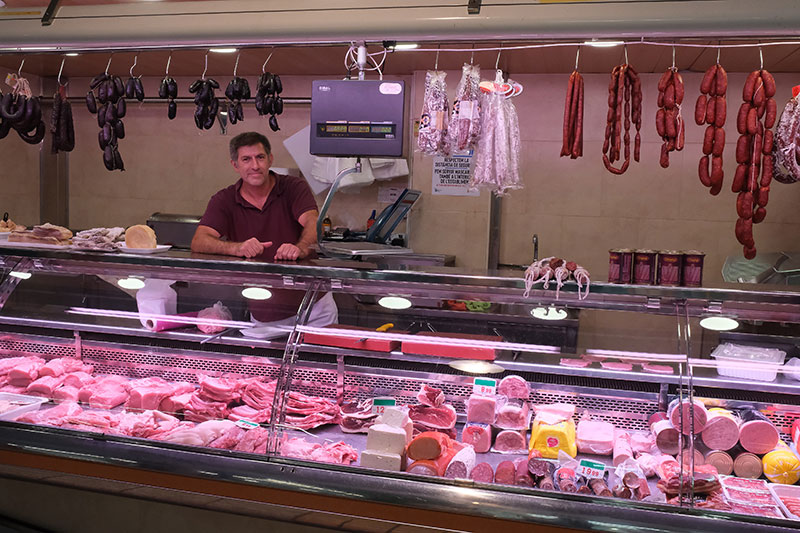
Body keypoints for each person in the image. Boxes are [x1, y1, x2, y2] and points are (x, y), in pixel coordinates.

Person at [192, 131, 337, 329]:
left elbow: (313, 223)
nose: (255, 166)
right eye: (246, 159)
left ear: (270, 159)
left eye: (260, 157)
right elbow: (199, 240)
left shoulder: (294, 187)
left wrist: (301, 248)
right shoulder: (224, 200)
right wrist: (237, 248)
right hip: (265, 311)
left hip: (315, 307)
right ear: (235, 165)